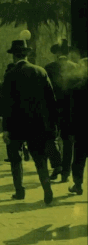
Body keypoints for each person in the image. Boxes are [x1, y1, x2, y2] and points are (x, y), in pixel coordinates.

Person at [2, 40, 58, 205]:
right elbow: (51, 101)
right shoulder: (40, 71)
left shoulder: (10, 74)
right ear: (26, 55)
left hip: (15, 124)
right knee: (40, 158)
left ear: (14, 56)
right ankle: (47, 189)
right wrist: (53, 124)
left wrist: (5, 128)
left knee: (15, 158)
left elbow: (6, 103)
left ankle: (19, 191)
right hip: (37, 124)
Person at [44, 39, 80, 182]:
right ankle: (66, 172)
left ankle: (56, 164)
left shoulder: (49, 67)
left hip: (52, 108)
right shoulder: (76, 67)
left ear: (57, 53)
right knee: (68, 140)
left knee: (48, 137)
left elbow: (45, 90)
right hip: (71, 109)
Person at [1, 63, 30, 163]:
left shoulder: (8, 77)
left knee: (12, 140)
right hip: (25, 111)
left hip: (12, 114)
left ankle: (14, 156)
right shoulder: (25, 76)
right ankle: (25, 146)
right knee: (24, 134)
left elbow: (5, 99)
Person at [68, 57, 88, 195]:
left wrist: (71, 131)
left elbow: (73, 113)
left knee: (79, 158)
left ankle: (78, 184)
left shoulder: (77, 88)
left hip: (82, 130)